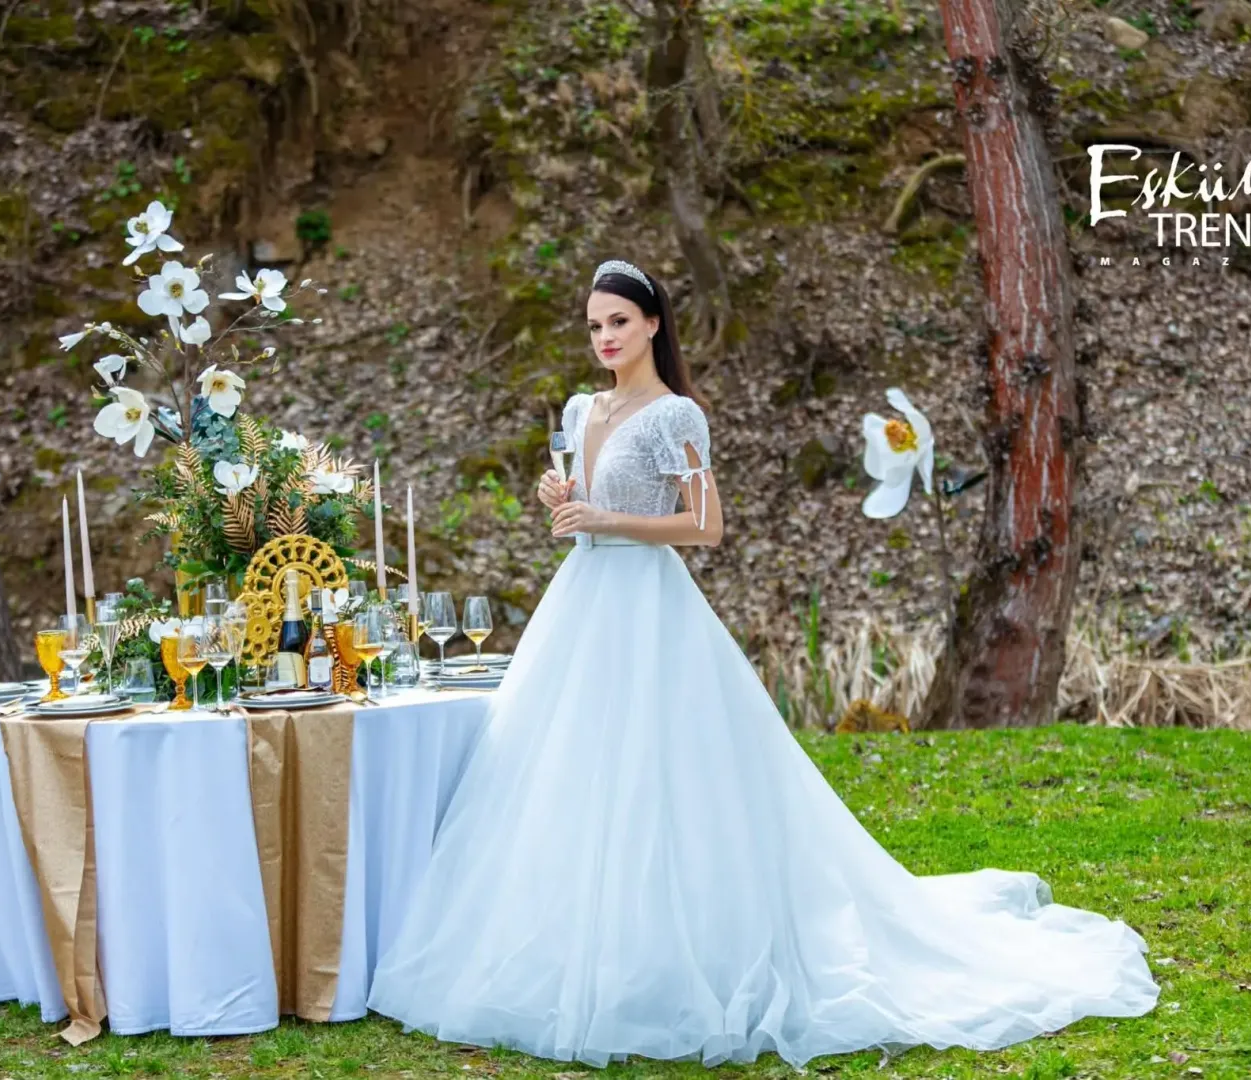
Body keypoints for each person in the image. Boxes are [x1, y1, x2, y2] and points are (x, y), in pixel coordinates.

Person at [365, 259, 1159, 1069]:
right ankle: (575, 949)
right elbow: (584, 508)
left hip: (649, 608)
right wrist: (562, 500)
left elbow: (705, 526)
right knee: (569, 770)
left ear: (652, 324)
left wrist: (605, 517)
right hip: (580, 604)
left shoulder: (676, 415)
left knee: (663, 776)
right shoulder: (581, 408)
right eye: (595, 325)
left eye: (619, 322)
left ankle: (682, 949)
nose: (605, 337)